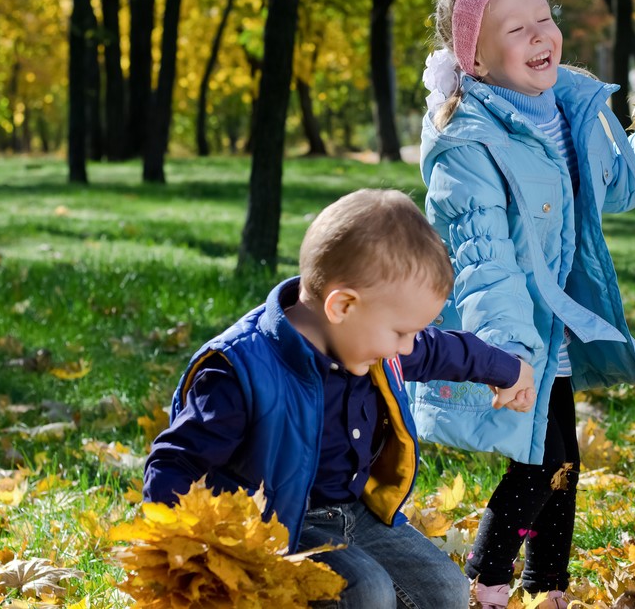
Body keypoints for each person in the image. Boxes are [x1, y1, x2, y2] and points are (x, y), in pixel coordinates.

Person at [410, 0, 635, 609]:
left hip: (556, 328)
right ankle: (487, 583)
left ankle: (548, 589)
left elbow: (620, 182)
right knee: (542, 463)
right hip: (514, 329)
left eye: (544, 18)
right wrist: (506, 353)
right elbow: (483, 261)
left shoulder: (568, 109)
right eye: (516, 28)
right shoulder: (468, 145)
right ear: (478, 59)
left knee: (561, 463)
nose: (540, 34)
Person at [142, 188, 536, 609]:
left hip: (352, 512)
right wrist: (187, 562)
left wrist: (508, 369)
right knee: (367, 591)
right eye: (401, 332)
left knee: (444, 588)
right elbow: (176, 463)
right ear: (342, 305)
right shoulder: (239, 370)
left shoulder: (368, 340)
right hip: (274, 530)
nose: (407, 348)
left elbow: (439, 348)